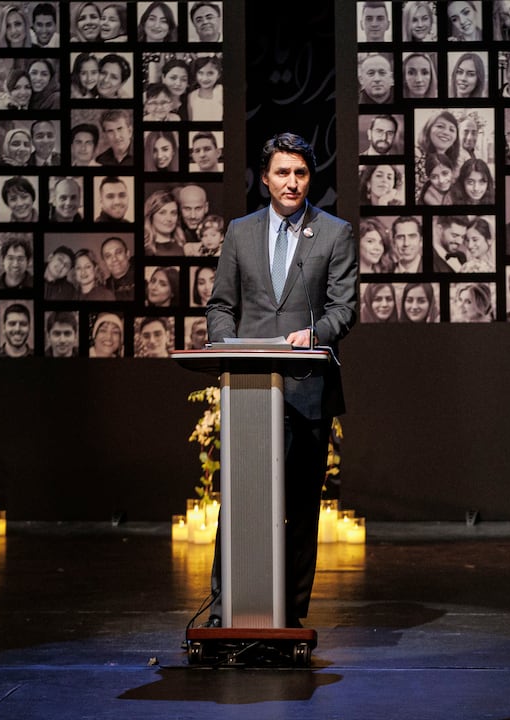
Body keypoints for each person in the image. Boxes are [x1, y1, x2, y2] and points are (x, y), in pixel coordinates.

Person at [205, 132, 357, 628]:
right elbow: (221, 306)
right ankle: (224, 613)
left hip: (307, 391)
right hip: (249, 391)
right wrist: (232, 348)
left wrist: (312, 334)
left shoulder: (334, 233)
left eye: (301, 173)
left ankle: (289, 617)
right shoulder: (240, 232)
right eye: (283, 173)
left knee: (299, 512)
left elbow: (343, 309)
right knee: (241, 507)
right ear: (265, 179)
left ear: (309, 178)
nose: (292, 183)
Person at [415, 111, 461, 189]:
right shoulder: (416, 155)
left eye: (452, 130)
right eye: (440, 126)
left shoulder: (454, 166)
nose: (446, 132)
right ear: (428, 129)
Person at [143, 190, 187, 256]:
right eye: (162, 213)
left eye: (173, 213)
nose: (169, 219)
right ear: (151, 216)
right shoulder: (146, 250)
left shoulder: (183, 245)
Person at [188, 56, 224, 121]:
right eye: (200, 73)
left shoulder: (221, 91)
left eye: (210, 73)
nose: (205, 78)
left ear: (218, 74)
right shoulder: (191, 96)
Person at [101, 236, 135, 300]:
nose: (114, 259)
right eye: (108, 256)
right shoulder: (105, 288)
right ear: (104, 262)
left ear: (127, 254)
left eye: (118, 252)